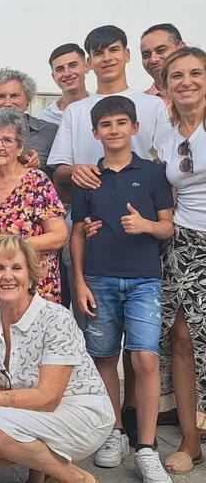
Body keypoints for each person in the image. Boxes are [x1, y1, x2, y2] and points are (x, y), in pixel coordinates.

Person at [70, 96, 174, 482]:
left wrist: (146, 226)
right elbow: (78, 231)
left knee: (145, 359)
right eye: (106, 125)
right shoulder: (87, 178)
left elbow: (168, 226)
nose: (114, 130)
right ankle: (112, 432)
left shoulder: (152, 174)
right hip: (98, 279)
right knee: (103, 358)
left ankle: (145, 447)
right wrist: (79, 281)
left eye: (121, 123)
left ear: (134, 128)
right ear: (95, 133)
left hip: (145, 280)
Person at [0, 235, 113, 483]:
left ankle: (78, 479)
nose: (7, 276)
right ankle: (38, 475)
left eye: (16, 268)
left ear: (30, 276)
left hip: (83, 413)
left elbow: (47, 398)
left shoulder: (55, 318)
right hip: (36, 415)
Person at [154, 47, 206, 475]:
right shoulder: (168, 137)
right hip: (184, 243)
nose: (186, 81)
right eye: (177, 76)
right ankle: (191, 441)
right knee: (182, 340)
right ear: (166, 86)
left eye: (195, 73)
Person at [48, 25, 171, 196]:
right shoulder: (75, 111)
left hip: (144, 207)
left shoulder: (154, 105)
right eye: (99, 53)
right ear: (89, 63)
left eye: (114, 50)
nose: (107, 58)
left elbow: (168, 162)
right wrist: (75, 170)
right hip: (91, 210)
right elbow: (59, 171)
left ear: (127, 55)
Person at [0, 108, 67, 303]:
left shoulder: (36, 181)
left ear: (20, 146)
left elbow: (60, 237)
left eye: (7, 140)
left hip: (35, 284)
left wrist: (8, 243)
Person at [0, 68, 57, 174]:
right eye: (1, 96)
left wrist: (36, 166)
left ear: (28, 99)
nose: (8, 103)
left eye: (14, 96)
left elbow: (59, 177)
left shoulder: (50, 132)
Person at [36, 44, 91, 126]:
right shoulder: (43, 119)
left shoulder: (102, 108)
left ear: (86, 67)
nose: (67, 74)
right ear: (53, 76)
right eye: (60, 69)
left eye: (73, 66)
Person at [140, 24, 185, 102]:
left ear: (181, 48)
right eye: (146, 55)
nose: (153, 60)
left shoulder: (201, 93)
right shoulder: (139, 104)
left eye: (161, 50)